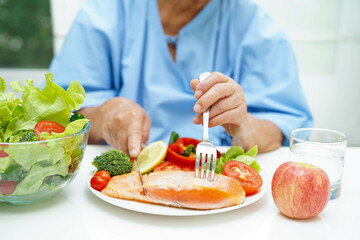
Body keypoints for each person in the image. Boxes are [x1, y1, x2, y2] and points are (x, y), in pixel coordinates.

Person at [49, 0, 313, 158]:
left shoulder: (258, 29)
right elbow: (59, 117)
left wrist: (244, 124)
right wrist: (106, 115)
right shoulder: (105, 13)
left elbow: (282, 128)